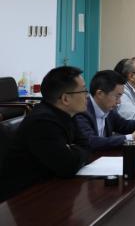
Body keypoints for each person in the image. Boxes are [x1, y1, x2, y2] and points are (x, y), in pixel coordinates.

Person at [0, 66, 90, 202]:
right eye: (83, 91)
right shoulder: (42, 122)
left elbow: (86, 145)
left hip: (50, 184)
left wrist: (73, 150)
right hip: (25, 198)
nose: (87, 96)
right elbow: (68, 166)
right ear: (65, 99)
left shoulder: (68, 114)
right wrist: (74, 151)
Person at [75, 70, 135, 151]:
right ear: (100, 94)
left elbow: (124, 125)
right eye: (117, 96)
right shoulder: (81, 111)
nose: (119, 102)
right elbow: (91, 142)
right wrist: (130, 138)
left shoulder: (108, 109)